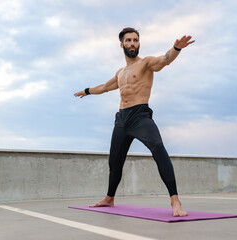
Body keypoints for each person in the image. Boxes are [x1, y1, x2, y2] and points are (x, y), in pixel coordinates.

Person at [74, 27, 194, 216]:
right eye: (129, 40)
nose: (133, 43)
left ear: (139, 43)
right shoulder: (121, 72)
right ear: (122, 44)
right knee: (114, 161)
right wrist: (87, 91)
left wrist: (176, 49)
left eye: (135, 40)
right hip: (122, 118)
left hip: (139, 115)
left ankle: (175, 200)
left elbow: (164, 60)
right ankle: (109, 198)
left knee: (158, 147)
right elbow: (105, 86)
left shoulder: (146, 63)